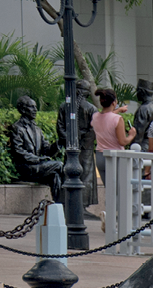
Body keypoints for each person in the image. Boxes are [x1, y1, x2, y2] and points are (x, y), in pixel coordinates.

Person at [8, 96, 63, 200]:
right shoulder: (17, 127)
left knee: (55, 176)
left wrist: (59, 143)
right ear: (23, 109)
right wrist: (37, 159)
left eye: (35, 107)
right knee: (59, 165)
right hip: (26, 167)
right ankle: (70, 202)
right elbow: (18, 151)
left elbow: (47, 151)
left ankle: (60, 206)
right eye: (32, 107)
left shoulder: (37, 129)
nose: (35, 110)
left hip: (37, 167)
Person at [56, 78, 98, 206]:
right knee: (82, 175)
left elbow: (93, 130)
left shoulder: (89, 108)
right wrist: (75, 141)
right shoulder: (67, 107)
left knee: (83, 175)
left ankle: (80, 205)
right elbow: (60, 126)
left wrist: (73, 141)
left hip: (80, 147)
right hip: (81, 147)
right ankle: (76, 204)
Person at [91, 87, 135, 189]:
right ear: (114, 102)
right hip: (115, 157)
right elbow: (122, 141)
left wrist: (118, 110)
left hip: (100, 156)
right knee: (120, 190)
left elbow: (106, 117)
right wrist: (131, 135)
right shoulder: (118, 119)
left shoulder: (95, 117)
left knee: (109, 190)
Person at [133, 80, 153, 149]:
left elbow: (139, 132)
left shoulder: (143, 109)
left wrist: (133, 147)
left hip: (143, 146)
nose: (136, 94)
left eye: (137, 91)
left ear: (142, 92)